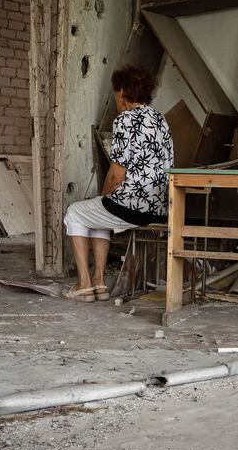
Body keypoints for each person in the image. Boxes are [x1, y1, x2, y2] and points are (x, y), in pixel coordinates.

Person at [61, 65, 174, 302]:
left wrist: (104, 196)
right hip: (160, 207)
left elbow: (116, 174)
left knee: (74, 213)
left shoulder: (125, 119)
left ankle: (83, 285)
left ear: (121, 92)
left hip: (132, 206)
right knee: (98, 216)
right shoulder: (160, 119)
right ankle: (99, 283)